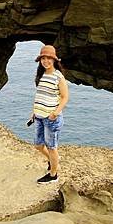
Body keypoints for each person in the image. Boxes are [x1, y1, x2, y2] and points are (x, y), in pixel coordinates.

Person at [29, 44, 69, 184]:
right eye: (43, 58)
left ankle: (53, 174)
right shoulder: (41, 75)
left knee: (52, 146)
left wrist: (55, 113)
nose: (46, 61)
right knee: (38, 145)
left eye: (49, 59)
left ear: (54, 60)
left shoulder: (58, 77)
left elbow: (65, 97)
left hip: (51, 118)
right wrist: (34, 112)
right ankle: (53, 161)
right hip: (39, 117)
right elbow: (39, 95)